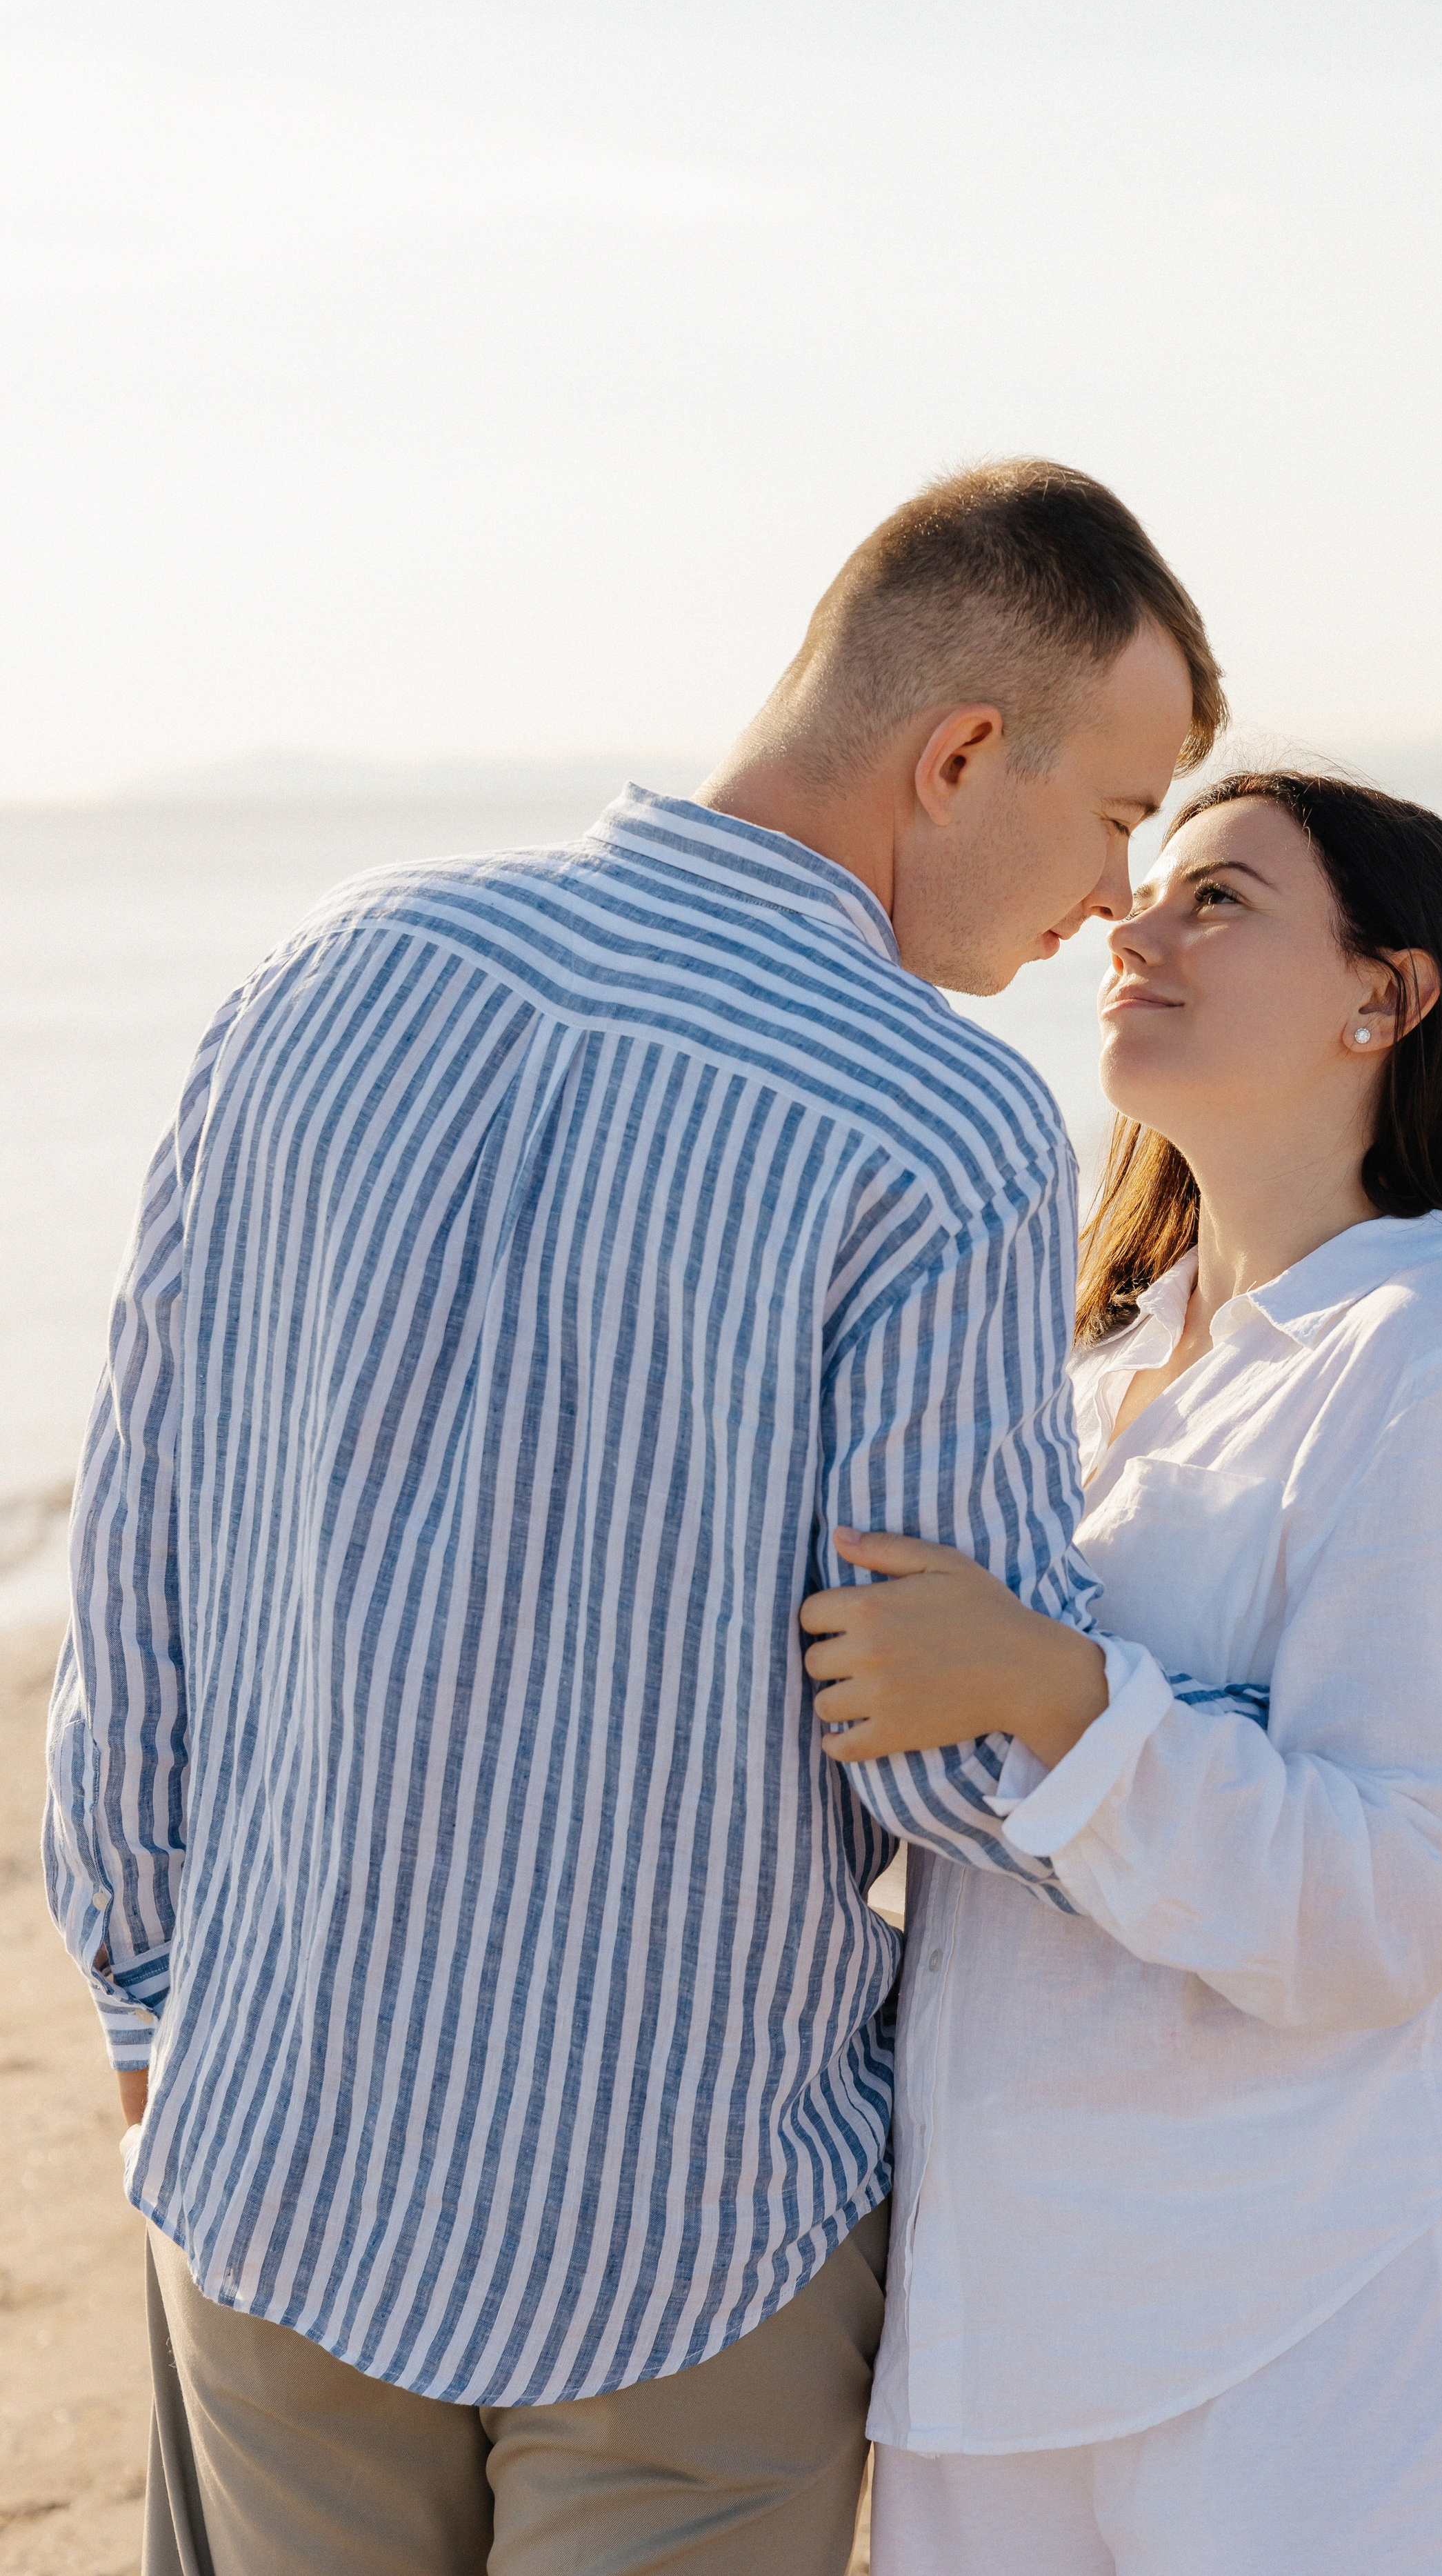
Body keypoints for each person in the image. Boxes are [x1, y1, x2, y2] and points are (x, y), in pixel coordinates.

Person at [43, 459, 1232, 2575]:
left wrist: (152, 2007)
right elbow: (947, 1746)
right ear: (964, 752)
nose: (1114, 902)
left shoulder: (327, 971)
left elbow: (135, 1568)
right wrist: (1275, 1783)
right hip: (684, 2232)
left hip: (273, 2157)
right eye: (1121, 816)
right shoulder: (942, 1124)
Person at [801, 772, 1442, 2576]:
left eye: (1218, 898)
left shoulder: (1439, 1366)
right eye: (1145, 887)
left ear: (1383, 995)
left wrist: (1054, 1691)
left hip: (1293, 2291)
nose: (1130, 928)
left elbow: (1399, 1903)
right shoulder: (1076, 1372)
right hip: (994, 2314)